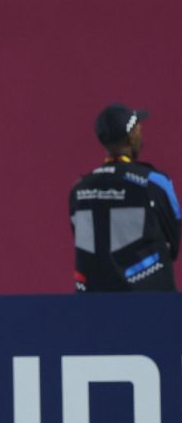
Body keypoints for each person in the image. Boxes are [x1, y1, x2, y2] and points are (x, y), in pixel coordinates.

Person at [69, 103, 180, 292]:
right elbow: (174, 243)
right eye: (138, 126)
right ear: (132, 134)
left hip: (93, 301)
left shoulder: (79, 188)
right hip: (151, 301)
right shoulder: (154, 182)